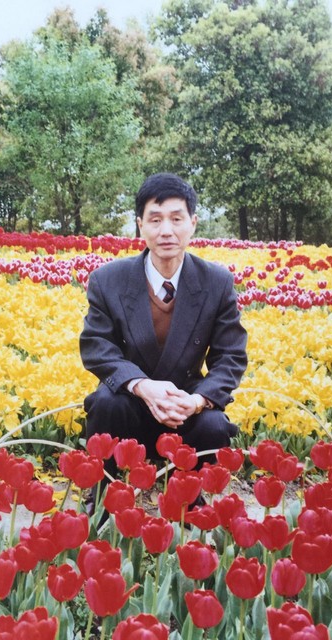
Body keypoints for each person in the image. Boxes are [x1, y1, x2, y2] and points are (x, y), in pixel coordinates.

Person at [80, 173, 248, 485]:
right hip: (129, 401)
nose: (166, 231)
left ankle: (190, 498)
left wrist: (196, 402)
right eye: (155, 220)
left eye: (176, 219)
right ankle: (104, 493)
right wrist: (143, 386)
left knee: (214, 424)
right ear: (140, 225)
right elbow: (96, 346)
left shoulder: (216, 282)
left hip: (184, 406)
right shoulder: (108, 280)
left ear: (193, 223)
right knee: (105, 404)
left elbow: (231, 357)